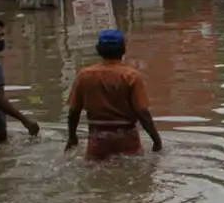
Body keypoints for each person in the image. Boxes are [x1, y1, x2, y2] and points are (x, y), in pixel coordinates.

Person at [66, 29, 162, 160]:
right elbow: (142, 113)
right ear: (123, 49)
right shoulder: (131, 76)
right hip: (127, 139)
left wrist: (72, 137)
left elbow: (73, 111)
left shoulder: (84, 76)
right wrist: (156, 141)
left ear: (98, 49)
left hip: (97, 140)